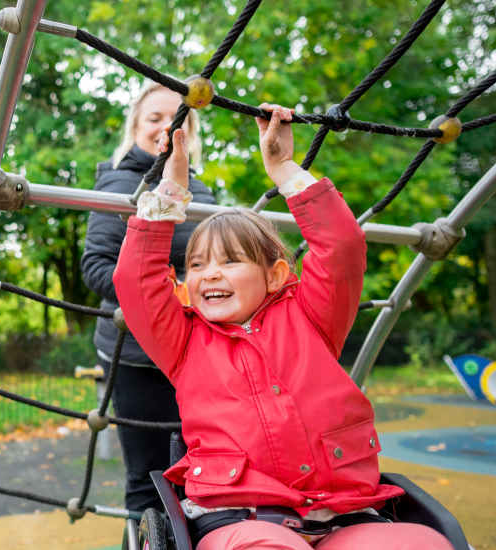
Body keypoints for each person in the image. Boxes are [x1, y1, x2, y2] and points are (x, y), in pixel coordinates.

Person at [112, 104, 452, 550]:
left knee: (422, 544)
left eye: (230, 261)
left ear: (274, 275)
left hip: (344, 512)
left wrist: (285, 169)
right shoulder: (185, 340)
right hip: (239, 517)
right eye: (196, 265)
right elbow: (134, 281)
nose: (209, 274)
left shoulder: (311, 316)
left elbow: (342, 246)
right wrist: (172, 189)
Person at [81, 82, 217, 513]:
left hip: (193, 349)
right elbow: (97, 267)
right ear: (136, 127)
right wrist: (166, 295)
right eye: (154, 118)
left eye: (177, 119)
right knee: (148, 477)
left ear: (189, 133)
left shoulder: (205, 194)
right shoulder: (120, 185)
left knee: (197, 471)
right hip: (136, 353)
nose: (165, 128)